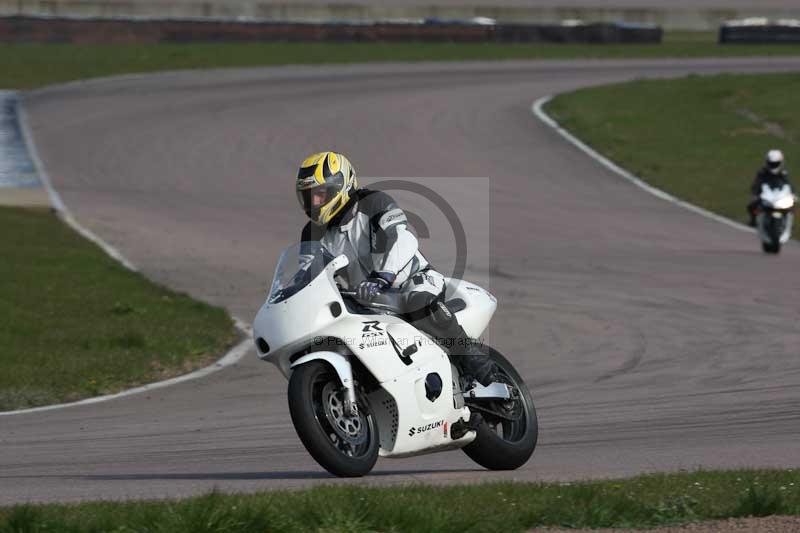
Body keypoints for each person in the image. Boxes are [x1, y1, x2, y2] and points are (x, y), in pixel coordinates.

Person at [295, 151, 496, 385]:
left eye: (320, 194)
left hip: (411, 280)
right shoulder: (310, 234)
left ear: (341, 186)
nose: (315, 203)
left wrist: (383, 276)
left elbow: (401, 238)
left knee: (417, 301)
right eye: (309, 197)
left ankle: (475, 363)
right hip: (365, 300)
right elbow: (307, 274)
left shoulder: (373, 203)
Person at [748, 149, 792, 227]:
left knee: (791, 205)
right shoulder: (762, 172)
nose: (773, 166)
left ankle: (787, 223)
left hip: (779, 195)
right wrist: (755, 193)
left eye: (775, 164)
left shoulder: (783, 173)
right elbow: (756, 183)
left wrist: (793, 194)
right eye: (772, 164)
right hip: (766, 194)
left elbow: (788, 184)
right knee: (752, 206)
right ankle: (754, 220)